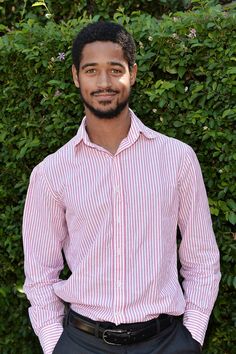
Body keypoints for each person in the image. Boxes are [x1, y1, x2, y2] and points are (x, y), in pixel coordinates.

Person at [23, 21, 221, 354]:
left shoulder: (177, 159)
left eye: (115, 69)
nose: (104, 82)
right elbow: (40, 273)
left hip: (167, 342)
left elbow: (202, 259)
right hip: (81, 343)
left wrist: (192, 336)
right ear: (76, 76)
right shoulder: (51, 173)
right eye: (91, 70)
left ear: (133, 73)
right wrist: (54, 344)